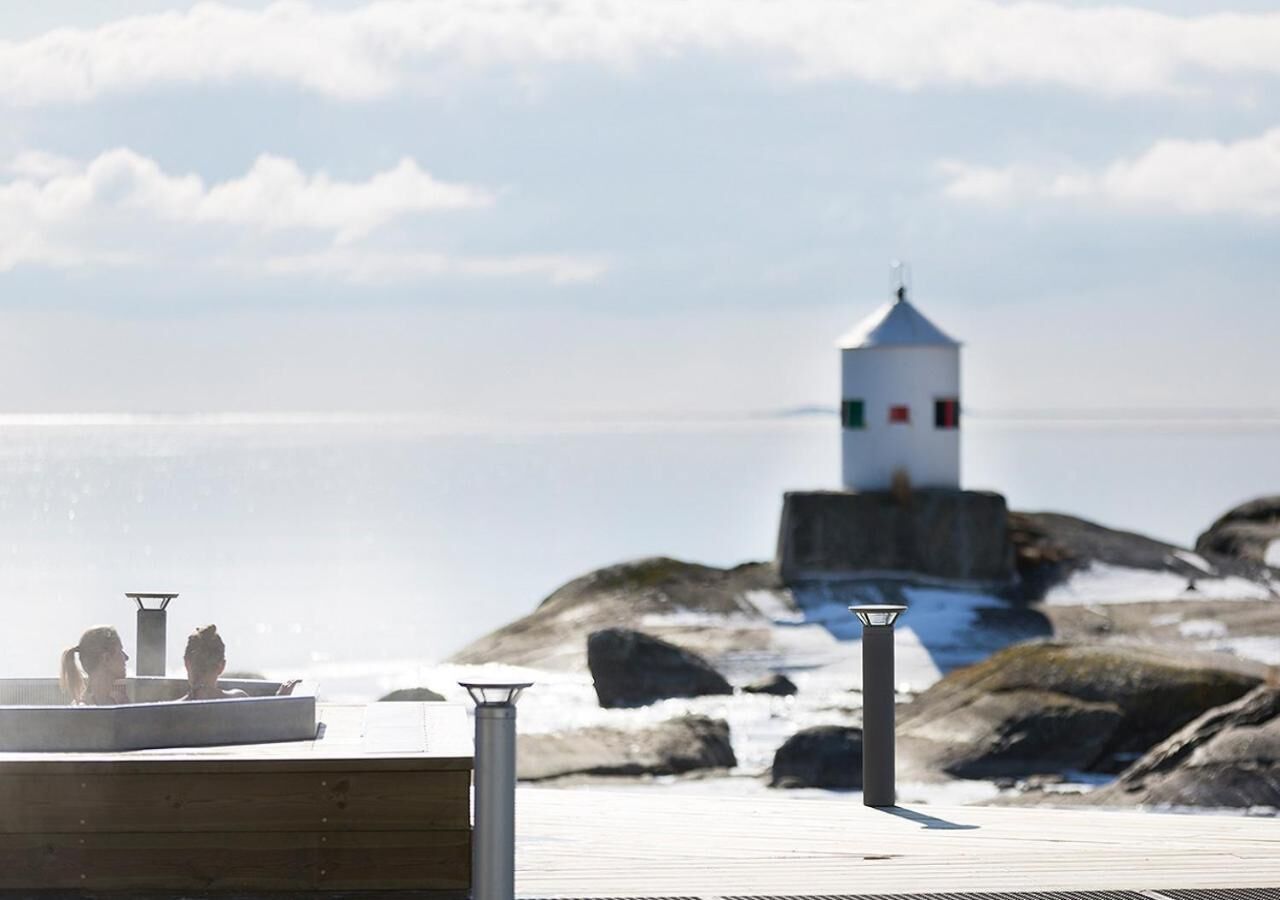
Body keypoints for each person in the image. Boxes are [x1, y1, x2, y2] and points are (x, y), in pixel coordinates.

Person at [180, 624, 299, 700]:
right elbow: (264, 722)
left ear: (186, 663)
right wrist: (280, 701)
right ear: (221, 666)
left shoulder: (168, 712)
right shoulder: (238, 700)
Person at [60, 626, 130, 705]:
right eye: (120, 651)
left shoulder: (120, 702)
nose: (126, 658)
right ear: (106, 658)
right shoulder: (82, 711)